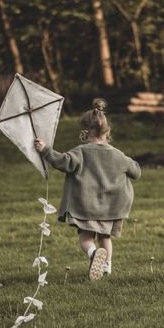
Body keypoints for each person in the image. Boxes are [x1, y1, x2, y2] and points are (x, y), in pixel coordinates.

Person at [34, 99, 141, 281]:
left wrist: (45, 150)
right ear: (107, 131)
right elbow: (136, 172)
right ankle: (106, 266)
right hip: (111, 208)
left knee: (85, 238)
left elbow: (62, 162)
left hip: (86, 206)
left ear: (84, 132)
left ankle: (93, 254)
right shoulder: (118, 155)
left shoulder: (80, 152)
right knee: (105, 238)